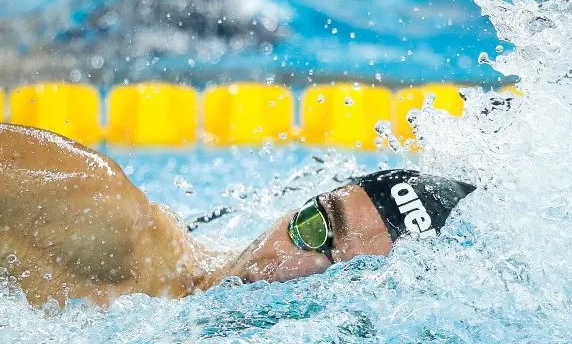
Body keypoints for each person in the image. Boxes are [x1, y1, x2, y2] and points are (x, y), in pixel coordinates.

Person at [0, 124, 476, 306]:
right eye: (316, 227)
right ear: (300, 205)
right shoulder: (106, 214)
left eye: (342, 273)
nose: (291, 265)